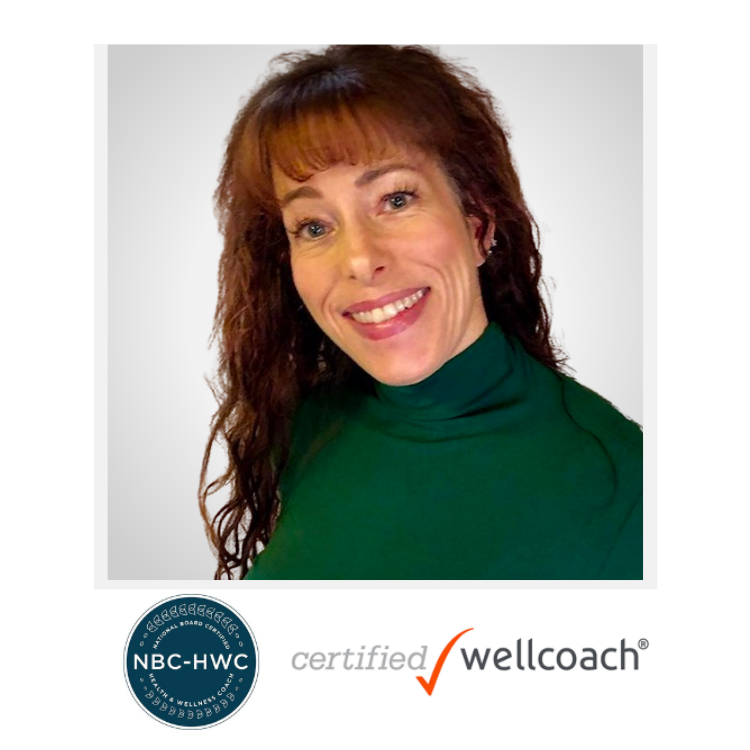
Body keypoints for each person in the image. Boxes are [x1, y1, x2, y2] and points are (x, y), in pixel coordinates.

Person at [199, 45, 643, 581]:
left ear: (478, 224)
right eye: (314, 226)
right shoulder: (306, 429)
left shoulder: (631, 491)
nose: (359, 260)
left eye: (396, 200)